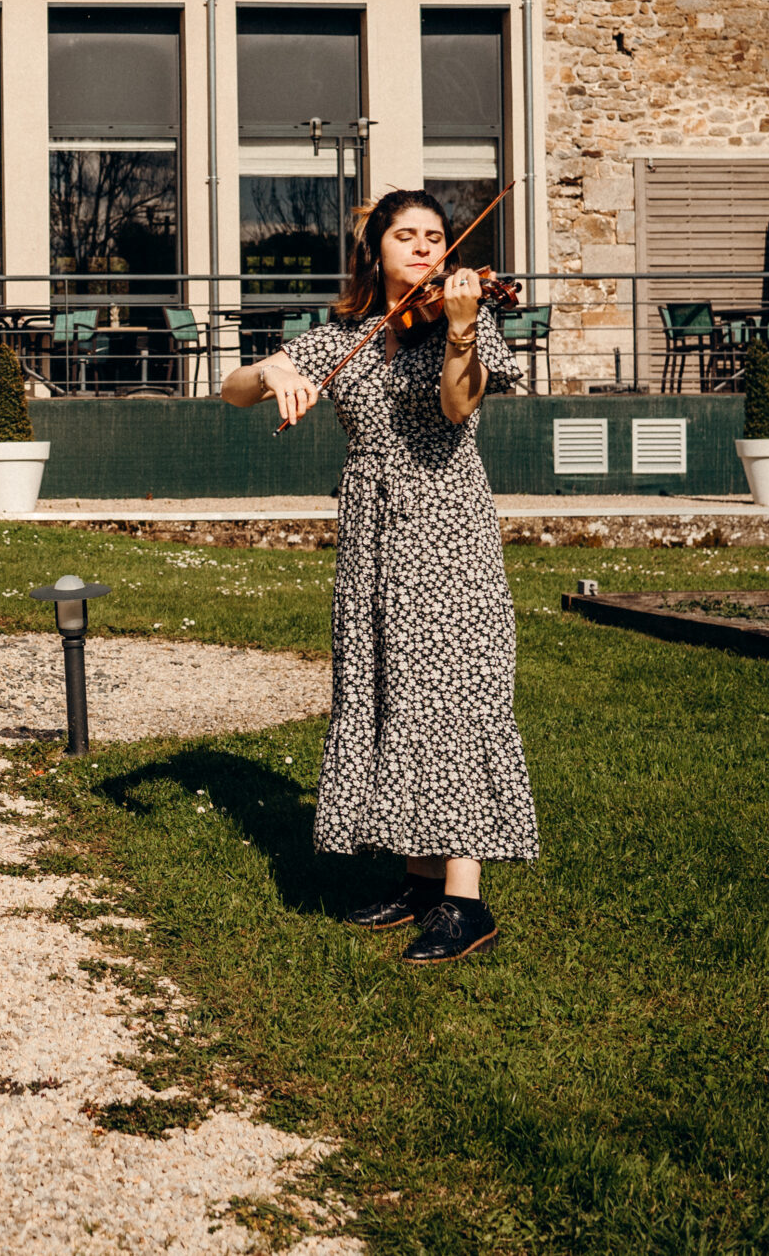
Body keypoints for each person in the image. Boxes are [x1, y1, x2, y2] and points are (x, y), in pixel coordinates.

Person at [221, 190, 538, 966]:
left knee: (452, 694)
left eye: (436, 237)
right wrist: (270, 373)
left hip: (445, 524)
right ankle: (420, 880)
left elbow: (458, 409)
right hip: (371, 530)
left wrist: (462, 330)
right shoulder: (345, 335)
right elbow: (230, 390)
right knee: (389, 689)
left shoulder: (467, 320)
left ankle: (465, 899)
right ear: (377, 248)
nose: (428, 248)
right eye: (409, 235)